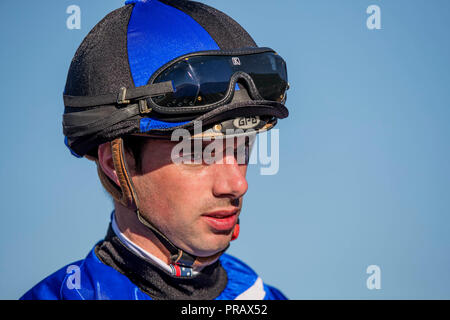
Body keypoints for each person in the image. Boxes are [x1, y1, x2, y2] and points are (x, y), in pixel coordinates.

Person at [21, 0, 290, 300]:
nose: (237, 184)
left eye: (242, 149)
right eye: (200, 153)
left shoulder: (265, 296)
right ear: (115, 163)